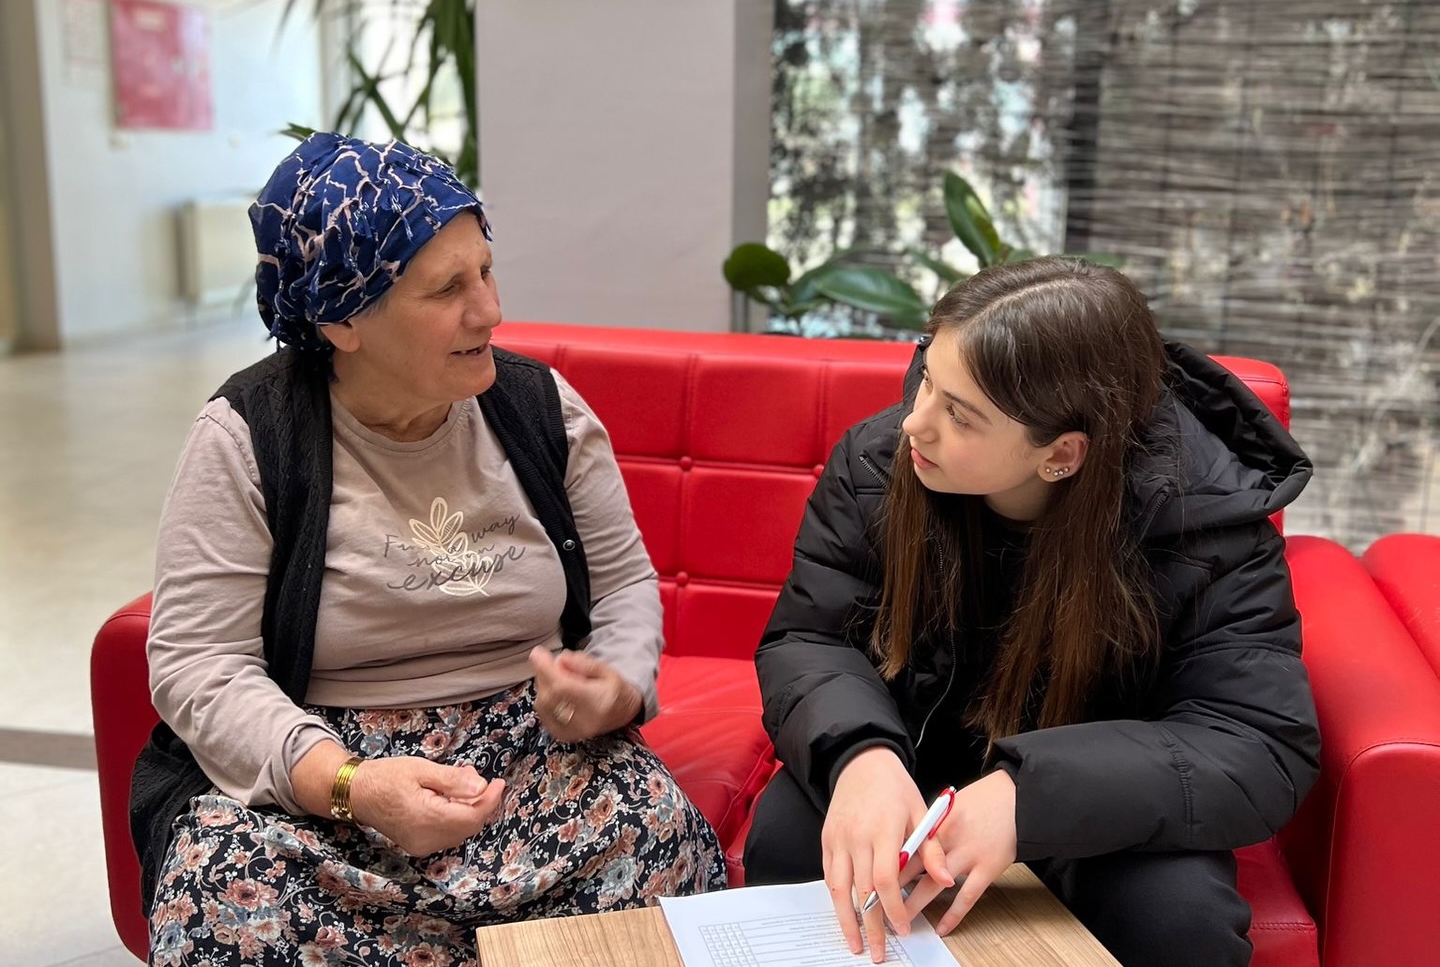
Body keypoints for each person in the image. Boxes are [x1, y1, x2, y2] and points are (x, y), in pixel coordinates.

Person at [133, 133, 725, 967]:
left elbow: (625, 583)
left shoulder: (541, 408)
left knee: (657, 834)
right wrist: (348, 782)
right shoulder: (247, 437)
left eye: (485, 271)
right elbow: (199, 663)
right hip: (319, 780)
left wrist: (617, 683)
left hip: (533, 762)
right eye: (448, 288)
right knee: (221, 894)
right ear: (342, 318)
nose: (490, 310)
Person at [744, 257, 1320, 967]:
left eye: (960, 415)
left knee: (1179, 919)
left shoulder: (1206, 524)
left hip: (1101, 806)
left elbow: (1256, 742)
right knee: (790, 839)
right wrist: (861, 755)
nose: (914, 422)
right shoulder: (877, 463)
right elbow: (811, 637)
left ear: (1061, 454)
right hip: (916, 765)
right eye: (927, 378)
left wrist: (1029, 799)